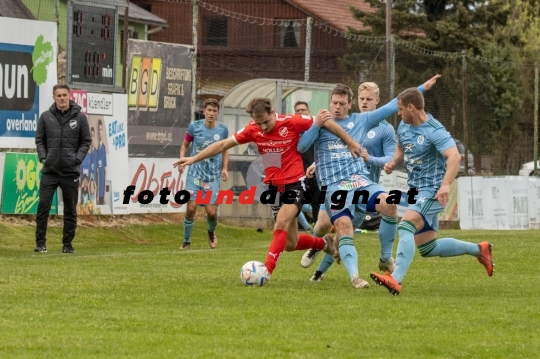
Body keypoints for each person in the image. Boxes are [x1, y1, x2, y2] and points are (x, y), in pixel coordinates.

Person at [174, 97, 361, 281]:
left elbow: (326, 122)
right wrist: (192, 159)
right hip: (273, 186)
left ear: (273, 112)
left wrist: (350, 142)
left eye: (265, 121)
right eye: (258, 123)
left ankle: (266, 271)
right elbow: (223, 144)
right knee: (290, 243)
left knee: (280, 224)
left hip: (295, 183)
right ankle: (323, 243)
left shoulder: (291, 122)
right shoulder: (253, 130)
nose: (263, 127)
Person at [297, 76, 440, 289]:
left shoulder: (362, 121)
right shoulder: (321, 122)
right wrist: (316, 125)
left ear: (349, 104)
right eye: (334, 103)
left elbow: (393, 105)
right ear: (330, 103)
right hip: (334, 185)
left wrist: (421, 88)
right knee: (335, 226)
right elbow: (301, 146)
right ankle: (350, 273)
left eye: (341, 104)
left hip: (360, 181)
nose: (337, 107)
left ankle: (383, 259)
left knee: (389, 204)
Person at [370, 87, 494, 296]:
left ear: (411, 107)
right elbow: (401, 145)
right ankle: (479, 250)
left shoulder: (434, 130)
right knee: (427, 247)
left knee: (406, 225)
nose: (398, 114)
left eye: (401, 109)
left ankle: (395, 279)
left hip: (432, 190)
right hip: (416, 191)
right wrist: (393, 161)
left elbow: (454, 157)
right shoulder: (404, 125)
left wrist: (445, 185)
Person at [301, 81, 398, 282]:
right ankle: (317, 246)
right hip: (338, 184)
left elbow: (389, 158)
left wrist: (369, 158)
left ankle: (320, 272)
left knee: (344, 232)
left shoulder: (383, 129)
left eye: (369, 99)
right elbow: (333, 151)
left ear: (377, 101)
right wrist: (318, 164)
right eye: (362, 98)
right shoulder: (343, 123)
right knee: (323, 224)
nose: (364, 102)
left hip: (364, 183)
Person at [34, 84, 91, 253]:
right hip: (50, 172)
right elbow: (40, 140)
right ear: (54, 97)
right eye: (58, 95)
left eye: (65, 95)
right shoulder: (45, 117)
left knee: (70, 210)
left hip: (70, 172)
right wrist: (44, 157)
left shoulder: (80, 118)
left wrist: (77, 159)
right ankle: (40, 244)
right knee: (43, 207)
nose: (62, 98)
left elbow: (86, 141)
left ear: (69, 96)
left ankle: (67, 245)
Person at [177, 98, 229, 249]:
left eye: (214, 111)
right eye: (209, 110)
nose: (211, 113)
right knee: (191, 208)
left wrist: (224, 168)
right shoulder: (195, 127)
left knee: (211, 212)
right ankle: (186, 241)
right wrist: (182, 160)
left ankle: (211, 232)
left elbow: (226, 149)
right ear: (204, 111)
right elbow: (184, 145)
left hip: (212, 177)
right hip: (195, 175)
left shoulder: (223, 130)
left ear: (218, 113)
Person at [294, 101, 320, 227]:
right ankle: (298, 226)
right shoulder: (293, 130)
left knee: (316, 200)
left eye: (303, 110)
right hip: (297, 172)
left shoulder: (315, 128)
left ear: (308, 112)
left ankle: (317, 226)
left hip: (314, 170)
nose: (300, 112)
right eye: (298, 110)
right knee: (294, 200)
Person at [96, 119, 107, 205]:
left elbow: (105, 171)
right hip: (94, 191)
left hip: (102, 192)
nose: (100, 132)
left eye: (101, 130)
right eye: (98, 130)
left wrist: (105, 194)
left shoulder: (103, 148)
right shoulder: (95, 149)